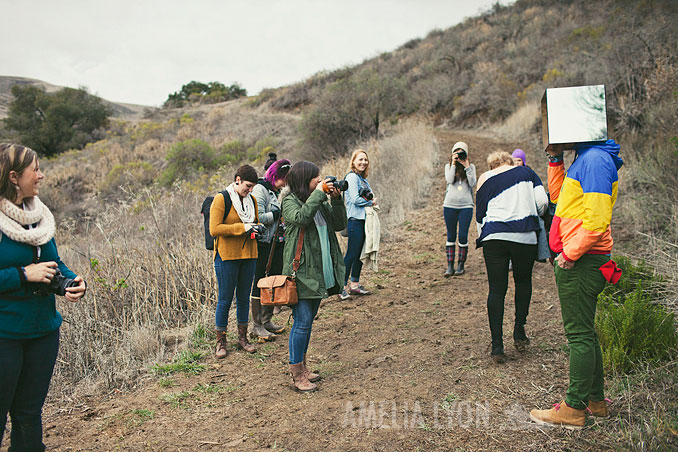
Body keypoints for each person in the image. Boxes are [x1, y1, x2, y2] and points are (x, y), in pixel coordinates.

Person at [530, 140, 623, 429]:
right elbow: (558, 200)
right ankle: (595, 401)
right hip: (586, 260)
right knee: (587, 333)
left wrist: (570, 254)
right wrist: (556, 160)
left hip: (583, 261)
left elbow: (596, 222)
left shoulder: (594, 160)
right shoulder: (586, 157)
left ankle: (573, 409)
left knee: (579, 336)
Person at [0, 143, 87, 451]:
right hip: (5, 335)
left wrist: (69, 281)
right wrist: (24, 275)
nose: (41, 175)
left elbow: (52, 261)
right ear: (13, 177)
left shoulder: (37, 216)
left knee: (28, 415)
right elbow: (32, 270)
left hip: (42, 331)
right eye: (35, 169)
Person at [475, 151, 547, 364]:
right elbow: (542, 202)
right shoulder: (527, 172)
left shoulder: (484, 179)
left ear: (492, 166)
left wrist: (484, 236)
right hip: (524, 234)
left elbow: (480, 215)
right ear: (508, 161)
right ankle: (519, 331)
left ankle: (497, 345)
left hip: (494, 236)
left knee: (497, 289)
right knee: (523, 281)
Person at [281, 161, 346, 392]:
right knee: (302, 322)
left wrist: (336, 200)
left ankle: (304, 367)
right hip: (301, 272)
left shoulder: (319, 202)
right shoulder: (289, 201)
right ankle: (297, 375)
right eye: (315, 178)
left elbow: (339, 224)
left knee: (307, 324)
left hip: (320, 270)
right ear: (302, 180)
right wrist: (319, 195)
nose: (320, 181)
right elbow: (300, 218)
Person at [209, 165, 260, 358]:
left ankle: (242, 338)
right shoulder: (221, 199)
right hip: (227, 256)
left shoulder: (252, 200)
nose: (250, 190)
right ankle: (221, 342)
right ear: (237, 179)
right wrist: (243, 228)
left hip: (249, 254)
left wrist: (257, 228)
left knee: (243, 298)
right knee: (225, 298)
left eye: (252, 187)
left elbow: (253, 222)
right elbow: (214, 229)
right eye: (248, 186)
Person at [250, 159, 291, 342]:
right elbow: (256, 216)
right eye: (283, 179)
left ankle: (267, 320)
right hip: (263, 243)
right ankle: (257, 325)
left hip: (277, 242)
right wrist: (275, 215)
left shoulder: (275, 192)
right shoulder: (261, 189)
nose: (285, 183)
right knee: (259, 282)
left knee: (273, 280)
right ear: (275, 176)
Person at [340, 149, 376, 300]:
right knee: (351, 254)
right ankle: (340, 286)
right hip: (354, 220)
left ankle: (354, 284)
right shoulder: (352, 177)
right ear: (353, 162)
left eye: (365, 160)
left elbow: (371, 194)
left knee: (359, 254)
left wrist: (370, 200)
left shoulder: (363, 179)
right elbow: (355, 199)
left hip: (363, 220)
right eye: (360, 159)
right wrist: (370, 202)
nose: (363, 162)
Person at [443, 141, 477, 276]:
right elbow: (450, 180)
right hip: (450, 205)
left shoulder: (471, 167)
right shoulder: (448, 166)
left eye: (462, 152)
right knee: (451, 235)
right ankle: (450, 266)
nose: (459, 155)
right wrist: (453, 164)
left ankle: (461, 264)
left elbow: (473, 183)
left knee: (463, 235)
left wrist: (466, 165)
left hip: (466, 206)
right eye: (456, 152)